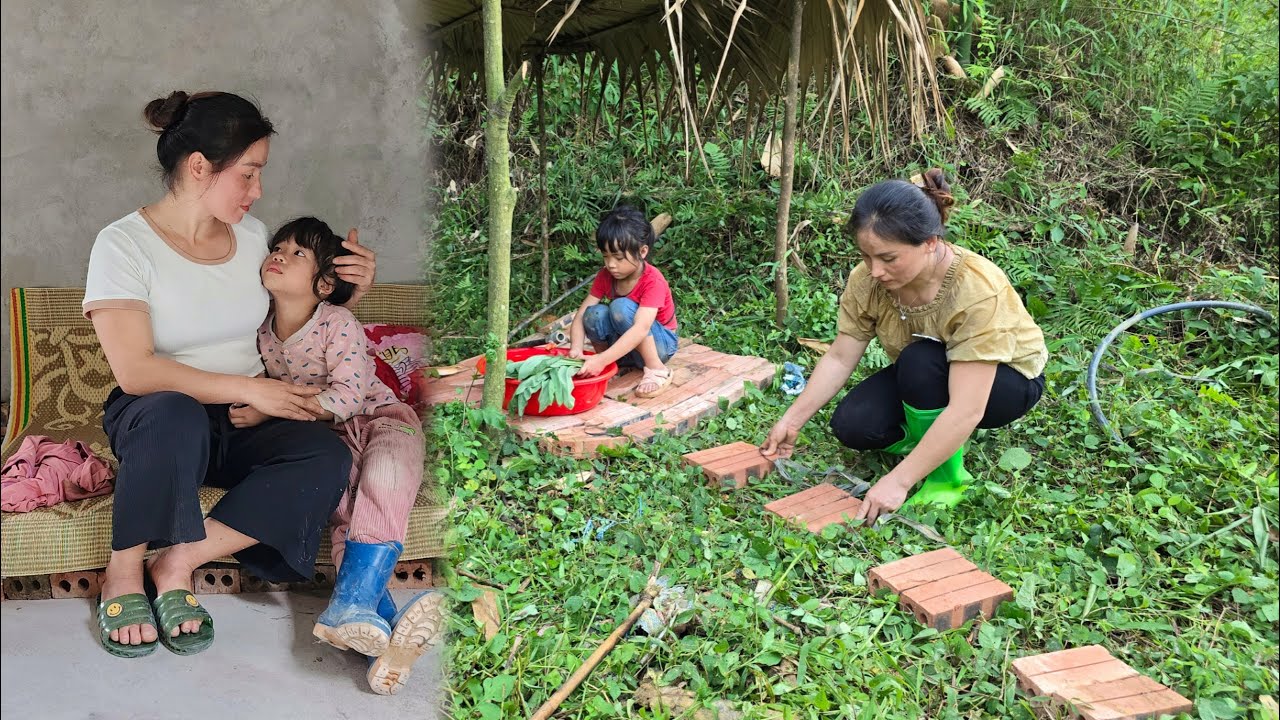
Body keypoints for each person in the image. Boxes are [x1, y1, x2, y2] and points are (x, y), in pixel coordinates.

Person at [85, 90, 378, 658]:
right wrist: (250, 387)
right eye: (248, 174)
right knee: (172, 411)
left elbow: (297, 322)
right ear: (200, 167)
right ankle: (122, 572)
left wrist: (348, 292)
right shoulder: (123, 244)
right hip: (159, 417)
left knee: (326, 454)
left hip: (245, 415)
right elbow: (136, 370)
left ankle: (178, 562)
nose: (258, 191)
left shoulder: (253, 240)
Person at [762, 169, 1047, 524]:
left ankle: (947, 478)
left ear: (930, 242)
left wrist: (898, 481)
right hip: (926, 374)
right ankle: (932, 440)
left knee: (920, 360)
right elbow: (839, 355)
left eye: (888, 258)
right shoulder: (867, 280)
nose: (875, 270)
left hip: (1005, 384)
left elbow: (966, 410)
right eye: (867, 257)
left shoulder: (976, 289)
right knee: (853, 426)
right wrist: (793, 418)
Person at [238, 216, 443, 695]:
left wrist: (271, 411)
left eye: (297, 254)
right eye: (278, 248)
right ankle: (371, 621)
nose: (280, 256)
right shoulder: (263, 333)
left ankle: (351, 603)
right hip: (327, 437)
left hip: (381, 419)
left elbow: (349, 397)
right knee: (339, 501)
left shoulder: (338, 322)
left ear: (325, 284)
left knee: (386, 478)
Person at [568, 205, 679, 397]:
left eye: (618, 257)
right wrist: (576, 349)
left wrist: (599, 360)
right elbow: (580, 317)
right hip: (626, 346)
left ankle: (657, 369)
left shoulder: (653, 280)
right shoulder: (605, 276)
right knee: (593, 314)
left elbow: (641, 328)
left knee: (620, 307)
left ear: (642, 252)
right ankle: (613, 364)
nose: (610, 264)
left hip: (660, 346)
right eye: (606, 256)